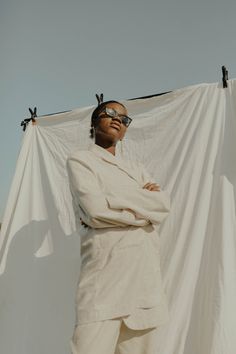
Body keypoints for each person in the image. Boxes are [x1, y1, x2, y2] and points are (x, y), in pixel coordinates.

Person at [66, 95, 171, 354]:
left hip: (143, 283)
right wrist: (143, 208)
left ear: (125, 131)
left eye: (124, 118)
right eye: (110, 112)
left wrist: (114, 198)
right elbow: (95, 211)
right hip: (103, 283)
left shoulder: (137, 168)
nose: (117, 119)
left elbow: (162, 206)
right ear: (94, 122)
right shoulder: (81, 160)